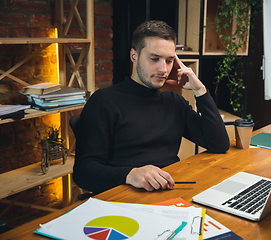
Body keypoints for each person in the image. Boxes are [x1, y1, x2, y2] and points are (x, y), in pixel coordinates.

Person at [73, 20, 229, 194]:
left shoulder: (174, 102)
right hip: (124, 196)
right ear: (134, 56)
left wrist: (199, 90)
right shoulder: (104, 102)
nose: (163, 68)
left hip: (170, 191)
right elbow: (83, 173)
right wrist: (130, 174)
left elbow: (218, 144)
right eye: (155, 59)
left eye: (170, 61)